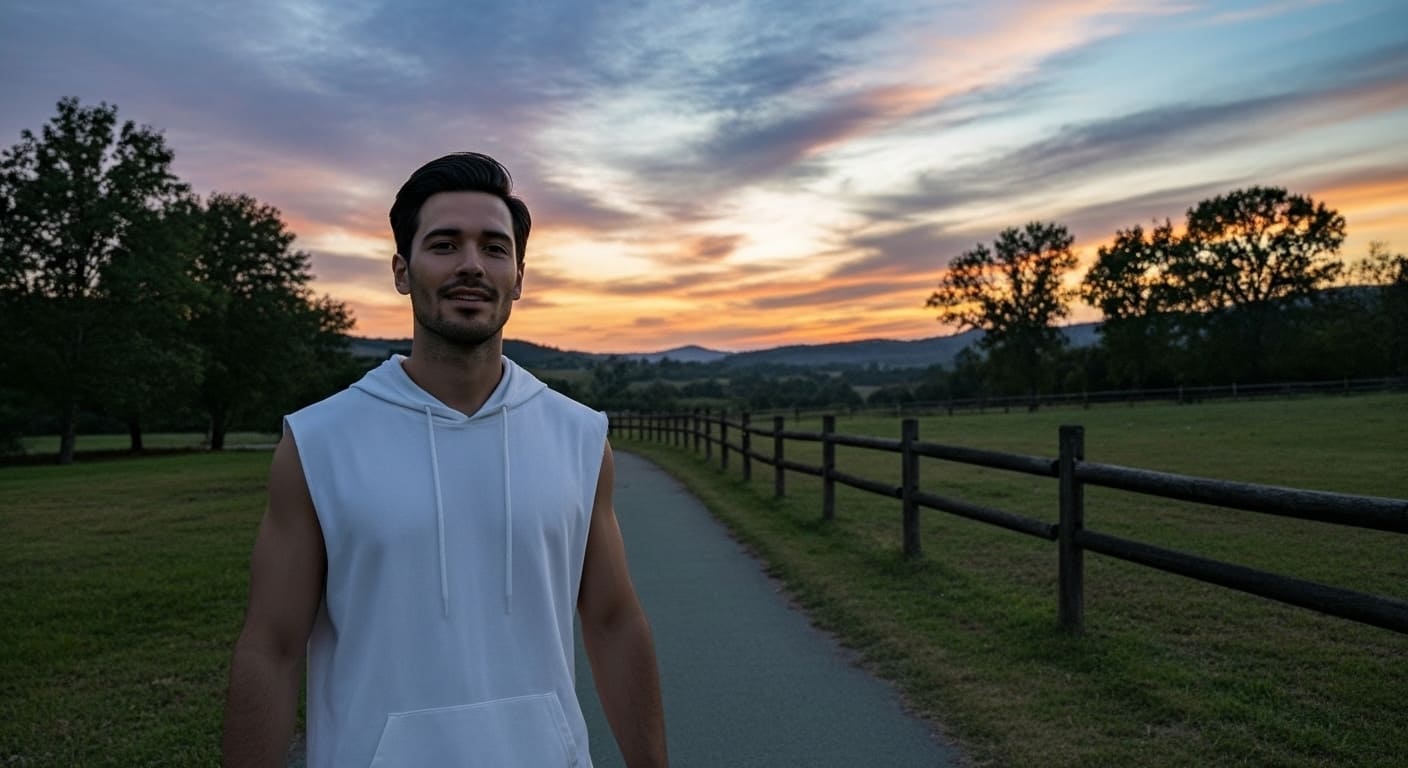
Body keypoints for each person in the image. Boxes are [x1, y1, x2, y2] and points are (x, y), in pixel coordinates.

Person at [222, 152, 668, 767]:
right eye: (444, 245)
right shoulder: (320, 441)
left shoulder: (579, 436)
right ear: (403, 271)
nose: (470, 266)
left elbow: (615, 622)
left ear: (518, 275)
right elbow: (269, 648)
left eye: (493, 247)